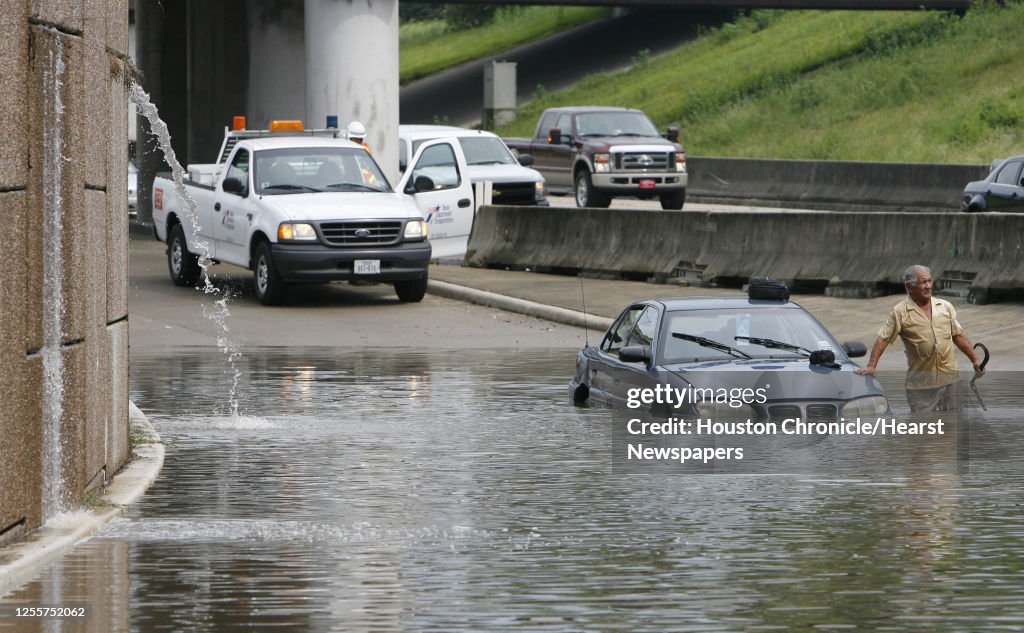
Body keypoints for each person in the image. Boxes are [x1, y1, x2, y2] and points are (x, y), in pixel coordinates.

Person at [856, 264, 985, 412]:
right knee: (924, 430)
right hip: (921, 386)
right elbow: (883, 339)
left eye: (930, 281)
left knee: (951, 430)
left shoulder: (945, 307)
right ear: (910, 287)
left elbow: (958, 335)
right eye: (923, 282)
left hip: (951, 381)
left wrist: (975, 360)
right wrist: (872, 366)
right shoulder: (900, 312)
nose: (928, 286)